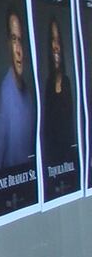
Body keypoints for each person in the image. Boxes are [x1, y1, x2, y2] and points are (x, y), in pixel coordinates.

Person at [0, 8, 36, 171]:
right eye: (14, 39)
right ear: (8, 44)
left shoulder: (28, 95)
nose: (19, 51)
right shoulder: (4, 94)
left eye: (21, 40)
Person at [41, 17, 75, 165]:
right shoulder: (47, 84)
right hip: (52, 160)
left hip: (68, 159)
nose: (55, 46)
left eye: (57, 40)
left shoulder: (67, 82)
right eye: (52, 40)